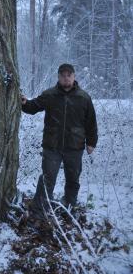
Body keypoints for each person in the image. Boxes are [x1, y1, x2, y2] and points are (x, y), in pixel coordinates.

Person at [21, 63, 98, 222]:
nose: (66, 77)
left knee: (73, 180)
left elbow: (91, 122)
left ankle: (68, 208)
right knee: (47, 179)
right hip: (52, 147)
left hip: (74, 147)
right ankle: (39, 211)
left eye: (69, 75)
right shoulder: (50, 95)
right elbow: (33, 106)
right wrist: (24, 103)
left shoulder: (83, 98)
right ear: (58, 77)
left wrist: (91, 142)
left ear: (74, 77)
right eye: (63, 75)